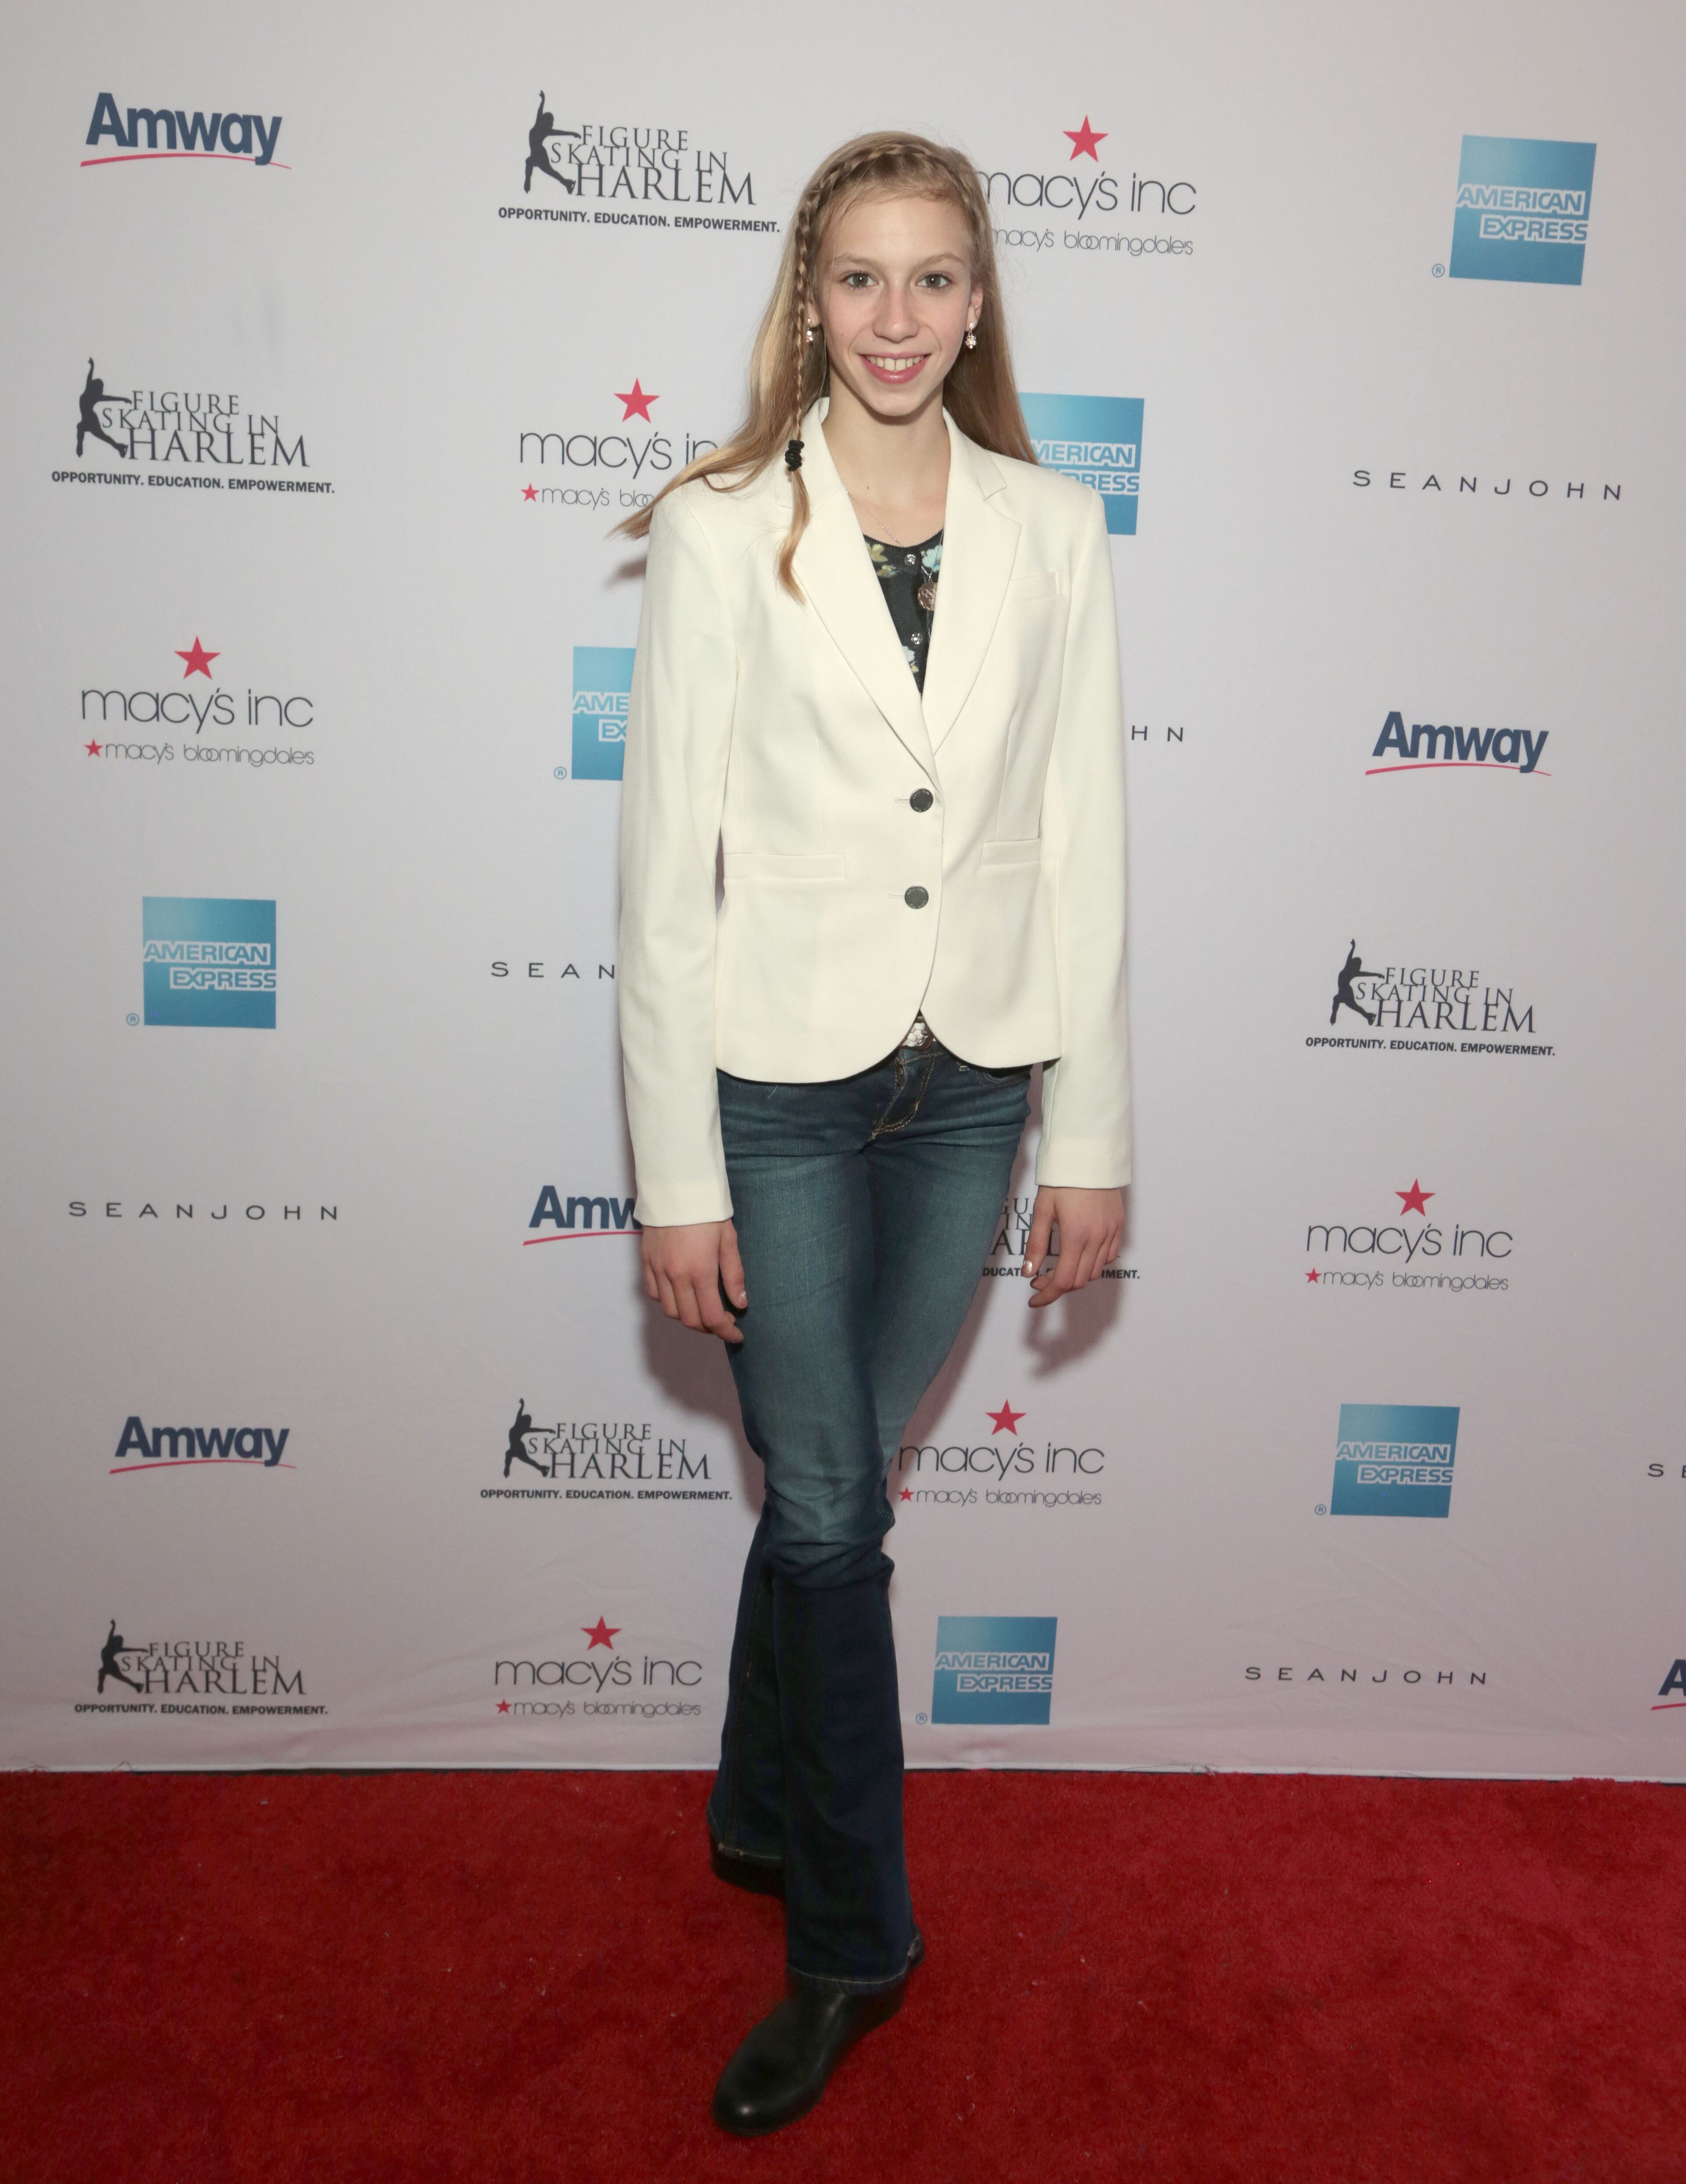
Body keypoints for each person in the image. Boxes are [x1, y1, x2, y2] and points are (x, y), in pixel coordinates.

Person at [615, 131, 1130, 2136]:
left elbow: (1082, 844)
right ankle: (854, 1938)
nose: (896, 316)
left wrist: (1090, 1134)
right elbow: (665, 879)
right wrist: (675, 1175)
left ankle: (760, 1800)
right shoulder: (722, 526)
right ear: (809, 301)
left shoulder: (1056, 528)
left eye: (932, 278)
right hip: (779, 1095)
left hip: (973, 1090)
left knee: (833, 1501)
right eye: (859, 278)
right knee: (832, 1509)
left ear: (979, 301)